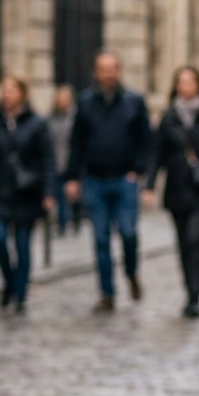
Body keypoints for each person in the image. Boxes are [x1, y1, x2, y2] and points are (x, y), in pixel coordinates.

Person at [65, 51, 151, 311]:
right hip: (95, 180)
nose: (107, 74)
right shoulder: (85, 102)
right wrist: (72, 178)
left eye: (111, 69)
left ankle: (131, 272)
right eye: (102, 69)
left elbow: (146, 140)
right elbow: (76, 142)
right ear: (96, 73)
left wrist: (138, 171)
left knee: (128, 233)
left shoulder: (134, 101)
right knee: (101, 239)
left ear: (119, 71)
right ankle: (107, 293)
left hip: (125, 179)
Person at [143, 66, 199, 318]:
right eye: (181, 82)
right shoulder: (169, 117)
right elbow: (156, 154)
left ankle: (196, 296)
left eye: (190, 81)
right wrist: (149, 186)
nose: (185, 86)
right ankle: (189, 293)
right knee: (182, 243)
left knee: (194, 239)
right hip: (177, 189)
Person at [0, 75, 55, 312]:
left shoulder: (36, 123)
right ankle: (9, 281)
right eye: (4, 90)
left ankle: (20, 294)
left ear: (23, 94)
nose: (7, 94)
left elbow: (47, 159)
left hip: (27, 192)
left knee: (23, 244)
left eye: (12, 90)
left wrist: (48, 192)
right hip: (0, 191)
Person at [46, 85, 77, 235]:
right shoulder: (50, 119)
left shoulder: (76, 118)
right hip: (55, 162)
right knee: (59, 195)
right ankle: (62, 224)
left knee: (71, 195)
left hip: (71, 162)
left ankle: (74, 218)